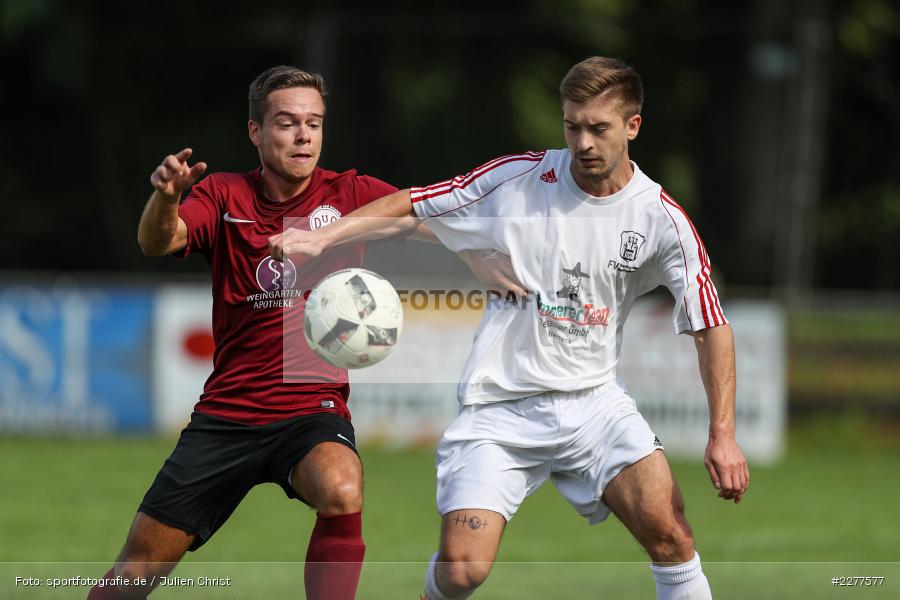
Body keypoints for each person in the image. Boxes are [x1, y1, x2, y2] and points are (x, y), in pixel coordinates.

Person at [269, 56, 750, 600]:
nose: (583, 142)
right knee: (462, 571)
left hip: (595, 406)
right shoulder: (519, 179)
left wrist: (723, 435)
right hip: (500, 410)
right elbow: (415, 204)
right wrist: (320, 239)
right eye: (573, 126)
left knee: (670, 534)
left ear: (633, 126)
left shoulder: (660, 219)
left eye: (599, 128)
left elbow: (711, 325)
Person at [88, 65, 441, 600]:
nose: (304, 136)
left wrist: (500, 260)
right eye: (286, 123)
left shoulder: (350, 193)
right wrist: (165, 197)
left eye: (314, 124)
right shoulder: (225, 195)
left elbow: (435, 220)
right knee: (135, 573)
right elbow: (158, 241)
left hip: (309, 406)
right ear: (255, 131)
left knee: (342, 486)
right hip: (227, 414)